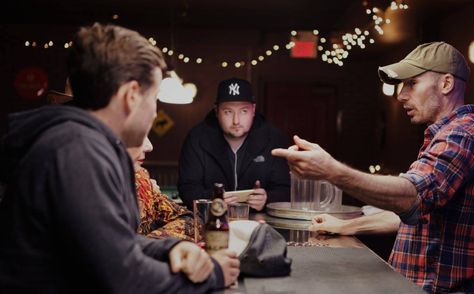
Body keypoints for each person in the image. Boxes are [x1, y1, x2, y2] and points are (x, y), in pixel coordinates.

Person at [0, 23, 239, 293]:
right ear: (131, 95)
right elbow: (124, 280)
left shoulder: (79, 141)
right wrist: (215, 274)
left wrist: (171, 247)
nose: (153, 114)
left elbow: (109, 242)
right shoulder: (77, 150)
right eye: (154, 99)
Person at [273, 42, 474, 293]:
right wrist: (346, 226)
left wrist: (331, 171)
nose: (401, 95)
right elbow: (417, 213)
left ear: (446, 84)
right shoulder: (446, 135)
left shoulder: (462, 136)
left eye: (412, 83)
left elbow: (411, 197)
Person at [178, 78, 290, 211]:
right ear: (216, 111)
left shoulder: (273, 138)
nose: (236, 121)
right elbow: (187, 189)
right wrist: (214, 199)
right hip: (211, 221)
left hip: (260, 224)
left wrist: (267, 199)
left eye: (243, 111)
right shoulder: (197, 138)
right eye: (228, 112)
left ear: (253, 110)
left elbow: (286, 190)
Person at [129, 136, 198, 241]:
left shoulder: (142, 181)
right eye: (139, 134)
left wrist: (153, 243)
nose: (149, 147)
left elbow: (190, 220)